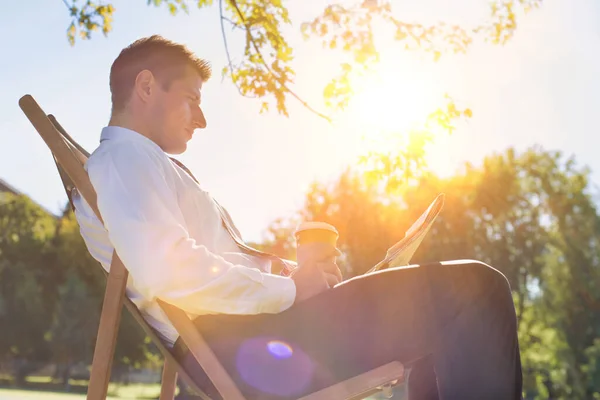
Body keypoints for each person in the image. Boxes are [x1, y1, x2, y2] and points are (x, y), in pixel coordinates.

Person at [73, 34, 523, 400]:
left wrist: (293, 277)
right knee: (475, 291)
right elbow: (165, 269)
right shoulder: (123, 159)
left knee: (443, 316)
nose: (202, 119)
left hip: (255, 337)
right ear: (147, 87)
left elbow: (193, 263)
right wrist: (290, 290)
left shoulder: (144, 165)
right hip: (246, 352)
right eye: (192, 99)